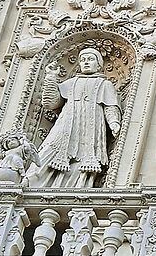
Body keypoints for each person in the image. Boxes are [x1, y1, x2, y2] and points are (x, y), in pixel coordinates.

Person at [35, 48, 121, 188]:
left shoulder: (105, 85)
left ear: (99, 65)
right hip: (66, 124)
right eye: (83, 60)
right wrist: (51, 77)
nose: (86, 62)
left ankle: (76, 186)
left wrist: (114, 122)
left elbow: (110, 106)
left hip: (91, 126)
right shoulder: (71, 83)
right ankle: (34, 181)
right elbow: (51, 103)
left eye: (90, 59)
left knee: (84, 157)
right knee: (50, 150)